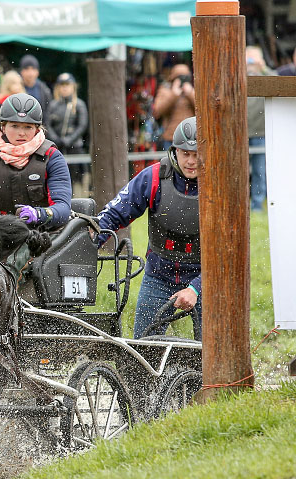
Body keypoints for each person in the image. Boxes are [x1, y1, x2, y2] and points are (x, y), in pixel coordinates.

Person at [96, 117, 202, 340]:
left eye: (197, 154)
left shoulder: (220, 185)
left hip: (206, 276)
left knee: (216, 351)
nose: (191, 161)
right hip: (159, 275)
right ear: (174, 151)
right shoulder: (153, 177)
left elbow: (230, 253)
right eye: (185, 154)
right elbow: (114, 214)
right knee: (144, 347)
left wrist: (196, 288)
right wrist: (87, 243)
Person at [0, 92, 72, 277]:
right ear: (3, 127)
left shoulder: (52, 157)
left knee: (9, 265)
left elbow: (63, 209)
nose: (21, 133)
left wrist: (39, 214)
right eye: (14, 126)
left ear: (37, 129)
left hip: (40, 235)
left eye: (28, 127)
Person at [44, 73, 87, 189]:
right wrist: (55, 139)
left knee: (76, 179)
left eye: (67, 85)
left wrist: (69, 140)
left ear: (73, 86)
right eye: (62, 85)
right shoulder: (53, 105)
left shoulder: (79, 105)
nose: (64, 88)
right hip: (57, 147)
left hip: (75, 148)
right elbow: (47, 124)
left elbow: (82, 126)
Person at [246, 46, 272, 212]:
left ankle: (257, 205)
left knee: (260, 171)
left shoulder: (266, 75)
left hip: (260, 132)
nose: (251, 62)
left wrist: (263, 68)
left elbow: (279, 85)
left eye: (254, 58)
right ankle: (239, 204)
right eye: (248, 58)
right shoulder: (237, 74)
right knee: (238, 172)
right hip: (240, 133)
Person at [152, 64, 195, 150]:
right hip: (171, 137)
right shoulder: (165, 91)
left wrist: (190, 93)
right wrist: (173, 95)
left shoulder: (193, 91)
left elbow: (202, 110)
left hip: (191, 137)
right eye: (180, 78)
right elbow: (157, 111)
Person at [19, 55, 52, 125]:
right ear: (21, 71)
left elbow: (47, 114)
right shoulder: (15, 87)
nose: (30, 73)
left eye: (33, 69)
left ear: (37, 72)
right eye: (27, 69)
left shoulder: (44, 90)